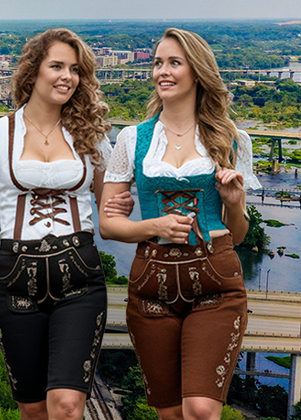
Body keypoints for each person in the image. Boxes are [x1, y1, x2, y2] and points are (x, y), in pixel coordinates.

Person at [0, 28, 132, 420]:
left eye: (74, 69)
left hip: (79, 279)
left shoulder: (92, 136)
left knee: (66, 406)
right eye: (57, 66)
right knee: (33, 410)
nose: (67, 76)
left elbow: (109, 211)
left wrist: (130, 204)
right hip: (15, 278)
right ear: (32, 73)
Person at [98, 28, 259, 420]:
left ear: (197, 71)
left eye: (174, 62)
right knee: (170, 414)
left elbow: (236, 235)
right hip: (151, 282)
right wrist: (153, 225)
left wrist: (234, 205)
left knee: (201, 409)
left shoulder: (229, 139)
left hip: (215, 281)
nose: (162, 72)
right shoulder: (133, 140)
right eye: (157, 63)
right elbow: (107, 224)